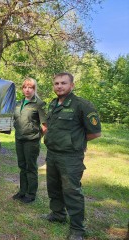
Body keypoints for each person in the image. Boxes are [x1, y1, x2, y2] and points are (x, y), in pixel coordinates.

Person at [43, 72, 101, 240]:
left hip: (70, 158)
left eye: (63, 83)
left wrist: (75, 142)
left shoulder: (82, 105)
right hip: (52, 154)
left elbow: (95, 133)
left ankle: (77, 230)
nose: (59, 86)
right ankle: (58, 214)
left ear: (72, 85)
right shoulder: (53, 104)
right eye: (56, 83)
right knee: (53, 188)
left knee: (72, 192)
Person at [12, 77, 47, 204]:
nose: (27, 90)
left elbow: (45, 126)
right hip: (19, 139)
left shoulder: (39, 104)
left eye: (30, 87)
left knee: (31, 167)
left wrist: (37, 137)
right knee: (22, 166)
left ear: (34, 89)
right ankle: (22, 191)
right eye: (25, 87)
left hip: (31, 141)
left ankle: (31, 194)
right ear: (22, 89)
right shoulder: (18, 103)